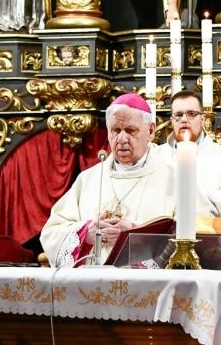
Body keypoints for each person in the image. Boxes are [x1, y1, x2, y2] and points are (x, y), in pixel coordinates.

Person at [41, 93, 175, 267]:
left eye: (130, 130)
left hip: (147, 290)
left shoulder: (173, 178)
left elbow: (189, 238)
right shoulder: (88, 178)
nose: (121, 139)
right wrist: (85, 233)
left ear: (150, 131)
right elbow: (51, 232)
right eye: (115, 131)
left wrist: (135, 236)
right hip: (90, 287)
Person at [159, 89, 221, 232]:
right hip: (162, 244)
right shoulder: (157, 156)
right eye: (178, 115)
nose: (184, 119)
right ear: (171, 121)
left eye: (192, 114)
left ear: (203, 118)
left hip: (209, 245)